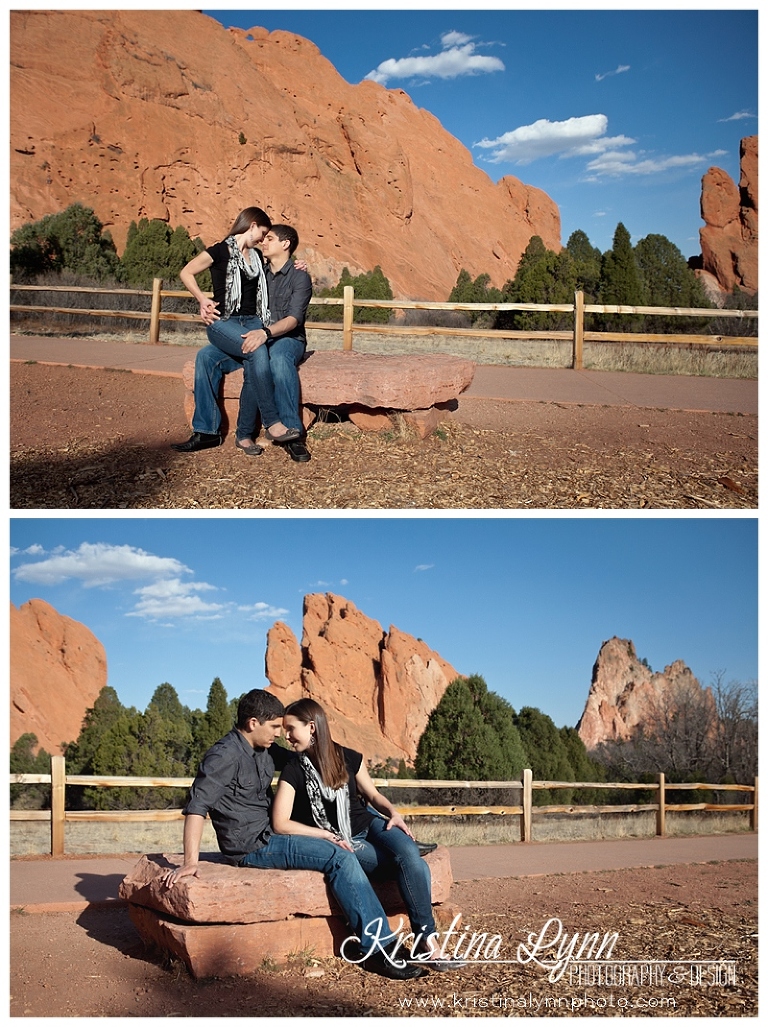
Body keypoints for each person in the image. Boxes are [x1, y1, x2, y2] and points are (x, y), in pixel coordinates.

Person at [162, 689, 424, 981]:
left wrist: (346, 777)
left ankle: (390, 940)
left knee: (350, 851)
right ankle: (376, 950)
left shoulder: (264, 748)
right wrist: (190, 861)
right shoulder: (223, 756)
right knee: (340, 857)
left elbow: (307, 762)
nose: (280, 734)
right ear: (252, 723)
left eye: (284, 728)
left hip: (272, 834)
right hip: (251, 846)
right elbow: (197, 807)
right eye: (275, 727)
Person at [273, 698, 464, 971]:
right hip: (344, 838)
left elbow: (372, 794)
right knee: (412, 864)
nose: (287, 736)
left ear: (312, 727)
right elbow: (280, 823)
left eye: (291, 728)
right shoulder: (294, 770)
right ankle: (426, 946)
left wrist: (393, 813)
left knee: (408, 852)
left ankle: (426, 941)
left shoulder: (349, 757)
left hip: (371, 824)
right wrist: (322, 835)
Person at [171, 210, 310, 459]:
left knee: (207, 357)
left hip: (252, 324)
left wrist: (299, 265)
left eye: (269, 237)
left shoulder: (258, 260)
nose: (263, 240)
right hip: (223, 321)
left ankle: (227, 433)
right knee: (255, 351)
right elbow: (186, 272)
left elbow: (283, 273)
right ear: (252, 225)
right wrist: (203, 300)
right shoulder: (220, 251)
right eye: (263, 234)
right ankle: (271, 421)